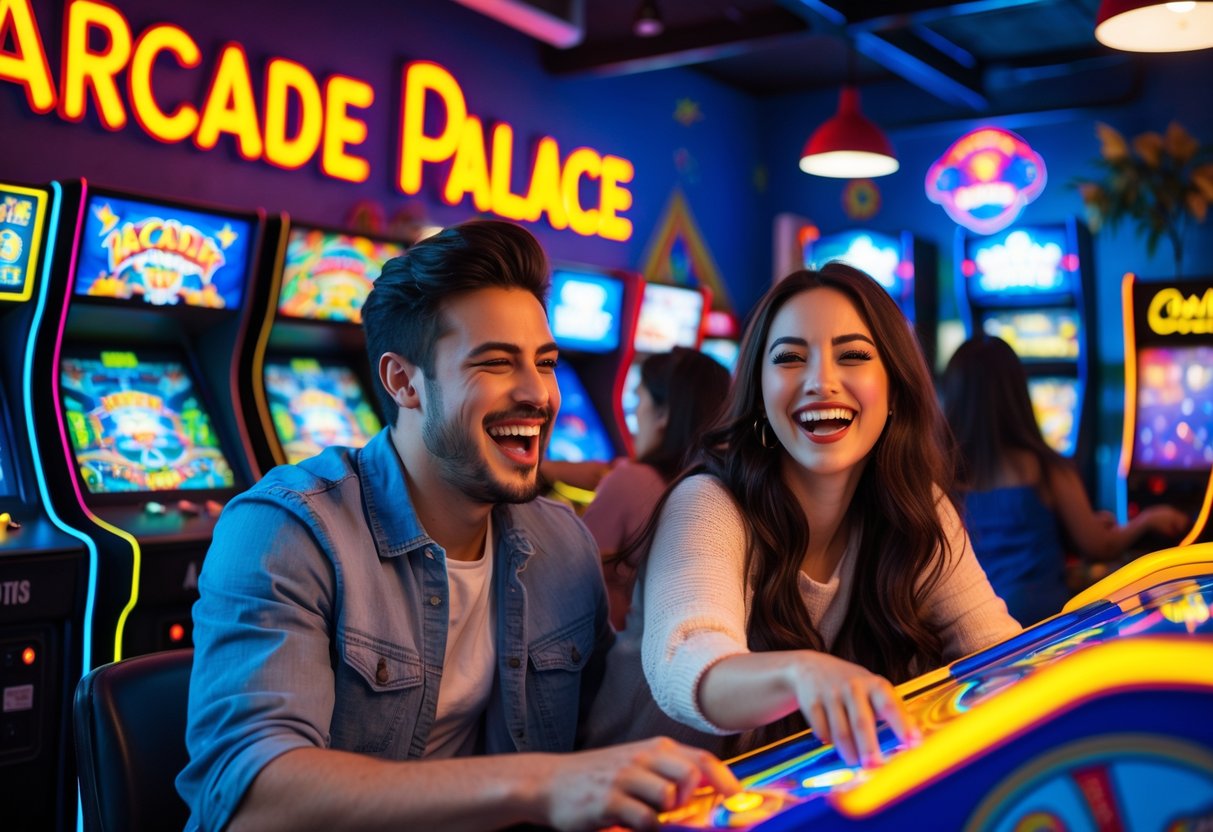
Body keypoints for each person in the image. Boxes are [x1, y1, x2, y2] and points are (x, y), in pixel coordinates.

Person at [177, 220, 737, 832]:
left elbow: (605, 740)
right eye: (496, 363)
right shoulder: (288, 531)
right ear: (403, 381)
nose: (538, 394)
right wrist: (536, 785)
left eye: (545, 363)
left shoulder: (561, 543)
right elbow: (253, 801)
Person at [584, 263, 1021, 769]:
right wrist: (801, 675)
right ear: (760, 391)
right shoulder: (708, 502)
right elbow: (687, 661)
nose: (821, 382)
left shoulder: (915, 507)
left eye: (853, 355)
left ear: (895, 389)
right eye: (790, 358)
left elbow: (998, 651)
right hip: (634, 809)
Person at [941, 335, 1189, 625]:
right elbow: (1100, 546)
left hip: (974, 629)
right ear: (1017, 394)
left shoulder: (939, 478)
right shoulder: (1046, 468)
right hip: (1039, 628)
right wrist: (1147, 519)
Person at [583, 346, 731, 630]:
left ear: (664, 413)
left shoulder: (630, 481)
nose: (635, 413)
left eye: (638, 398)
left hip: (622, 659)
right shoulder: (719, 485)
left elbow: (574, 581)